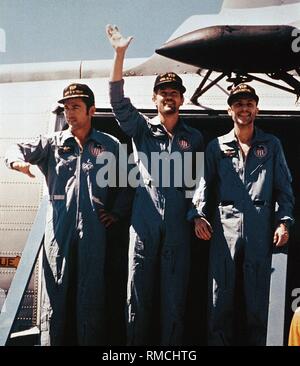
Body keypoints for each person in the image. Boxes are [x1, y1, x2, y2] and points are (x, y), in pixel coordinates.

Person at [5, 83, 131, 346]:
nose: (70, 113)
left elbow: (128, 183)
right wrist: (22, 165)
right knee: (55, 299)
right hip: (59, 233)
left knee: (91, 298)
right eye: (66, 107)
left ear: (91, 110)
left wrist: (116, 213)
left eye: (76, 107)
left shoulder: (110, 146)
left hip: (94, 233)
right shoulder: (52, 143)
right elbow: (13, 150)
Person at [106, 25, 204, 345]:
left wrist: (197, 214)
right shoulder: (142, 131)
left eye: (174, 93)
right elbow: (119, 101)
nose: (168, 98)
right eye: (163, 93)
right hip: (144, 224)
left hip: (178, 226)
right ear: (155, 98)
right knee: (138, 298)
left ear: (181, 99)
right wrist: (120, 55)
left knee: (174, 301)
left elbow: (198, 185)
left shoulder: (194, 138)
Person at [189, 83, 294, 346]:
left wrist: (283, 221)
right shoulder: (217, 146)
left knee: (258, 300)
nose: (243, 109)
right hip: (225, 229)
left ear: (256, 109)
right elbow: (203, 183)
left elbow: (284, 187)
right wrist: (198, 215)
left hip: (260, 229)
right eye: (238, 103)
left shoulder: (271, 145)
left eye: (248, 103)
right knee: (219, 298)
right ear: (229, 110)